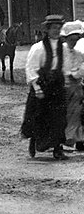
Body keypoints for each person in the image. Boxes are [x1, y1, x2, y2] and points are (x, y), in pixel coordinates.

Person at [21, 14, 68, 160]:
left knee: (59, 117)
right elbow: (31, 67)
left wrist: (65, 81)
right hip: (42, 85)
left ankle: (57, 148)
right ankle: (34, 140)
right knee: (40, 116)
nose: (56, 31)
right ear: (47, 30)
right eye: (53, 28)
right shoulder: (38, 48)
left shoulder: (63, 47)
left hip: (57, 86)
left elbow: (65, 66)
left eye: (58, 28)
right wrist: (36, 87)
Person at [61, 21, 84, 151]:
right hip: (62, 85)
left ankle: (76, 139)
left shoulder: (78, 53)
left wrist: (76, 74)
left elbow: (82, 66)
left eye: (76, 39)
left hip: (75, 87)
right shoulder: (60, 51)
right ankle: (63, 139)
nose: (73, 42)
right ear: (65, 38)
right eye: (71, 39)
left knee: (77, 111)